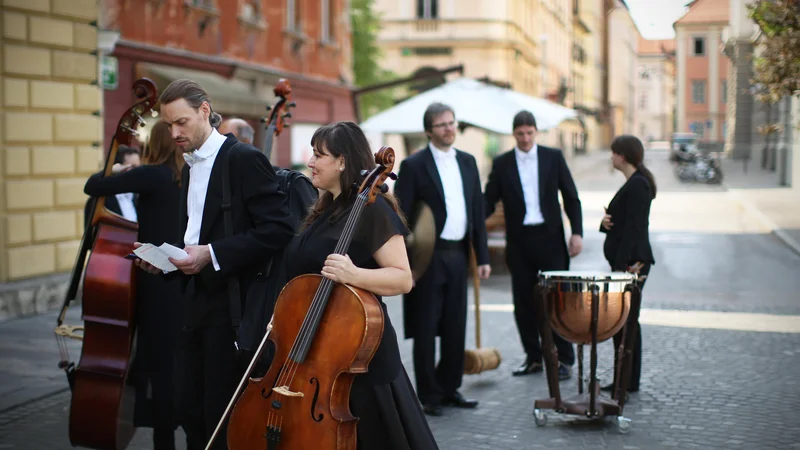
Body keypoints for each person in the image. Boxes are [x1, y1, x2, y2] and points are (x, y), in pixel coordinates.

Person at [134, 79, 294, 450]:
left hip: (232, 309)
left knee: (219, 418)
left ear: (205, 111)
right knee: (188, 412)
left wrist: (213, 254)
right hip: (192, 304)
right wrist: (166, 260)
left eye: (182, 123)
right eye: (168, 125)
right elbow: (194, 237)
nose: (174, 133)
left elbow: (279, 229)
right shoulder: (188, 166)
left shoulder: (243, 159)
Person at [281, 120, 438, 449]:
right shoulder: (326, 207)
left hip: (358, 350)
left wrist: (355, 275)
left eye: (317, 155)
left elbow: (402, 277)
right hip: (320, 344)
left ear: (342, 161)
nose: (309, 162)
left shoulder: (373, 209)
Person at [83, 121, 183, 450]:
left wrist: (116, 169)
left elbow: (92, 186)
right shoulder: (187, 175)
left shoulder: (153, 174)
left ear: (153, 145)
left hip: (152, 281)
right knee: (169, 362)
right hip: (178, 277)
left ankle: (162, 438)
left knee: (158, 368)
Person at [394, 102, 490, 417]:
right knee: (425, 325)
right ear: (428, 131)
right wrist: (405, 261)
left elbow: (476, 210)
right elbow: (401, 216)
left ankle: (450, 388)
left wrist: (483, 256)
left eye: (452, 123)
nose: (449, 128)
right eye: (442, 125)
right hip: (427, 257)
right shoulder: (414, 165)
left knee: (454, 324)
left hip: (459, 253)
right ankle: (429, 394)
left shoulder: (468, 161)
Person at [483, 110, 583, 381]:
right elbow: (489, 199)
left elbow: (571, 197)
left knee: (557, 301)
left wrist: (577, 233)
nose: (525, 138)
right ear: (513, 134)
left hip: (550, 239)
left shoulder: (553, 157)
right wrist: (471, 220)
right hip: (519, 242)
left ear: (535, 132)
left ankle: (565, 359)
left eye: (529, 133)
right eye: (520, 134)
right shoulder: (502, 163)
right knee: (524, 303)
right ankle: (534, 357)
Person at [599, 134, 656, 395]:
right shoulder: (633, 183)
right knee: (625, 322)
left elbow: (634, 229)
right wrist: (605, 224)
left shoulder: (638, 185)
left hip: (632, 265)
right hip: (626, 264)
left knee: (626, 322)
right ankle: (626, 379)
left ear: (622, 156)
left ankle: (627, 380)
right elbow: (621, 222)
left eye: (613, 153)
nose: (611, 157)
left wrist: (622, 267)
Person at [84, 145, 141, 226]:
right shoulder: (102, 200)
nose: (138, 172)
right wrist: (110, 170)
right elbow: (89, 186)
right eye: (133, 167)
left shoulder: (138, 196)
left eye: (139, 167)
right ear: (119, 167)